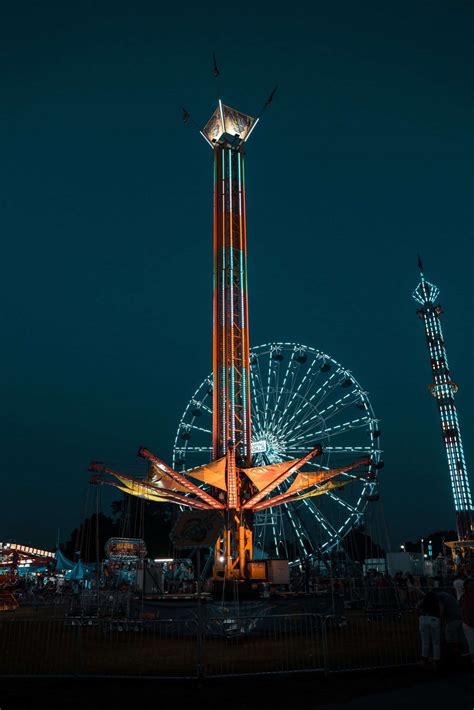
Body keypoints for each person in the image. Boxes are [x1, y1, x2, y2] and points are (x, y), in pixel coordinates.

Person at [435, 590, 463, 659]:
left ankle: (458, 658)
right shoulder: (447, 596)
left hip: (452, 620)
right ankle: (461, 657)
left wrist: (439, 621)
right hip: (460, 618)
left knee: (451, 641)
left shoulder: (439, 596)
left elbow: (442, 609)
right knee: (457, 640)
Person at [418, 591, 442, 669]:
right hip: (434, 618)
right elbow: (441, 609)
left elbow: (416, 607)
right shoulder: (437, 601)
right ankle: (436, 661)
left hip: (423, 618)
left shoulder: (423, 601)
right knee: (436, 642)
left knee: (425, 642)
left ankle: (423, 660)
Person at [460, 578, 474, 667]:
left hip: (467, 623)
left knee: (472, 645)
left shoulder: (463, 597)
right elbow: (462, 609)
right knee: (472, 646)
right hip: (468, 624)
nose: (471, 586)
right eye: (470, 584)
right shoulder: (463, 597)